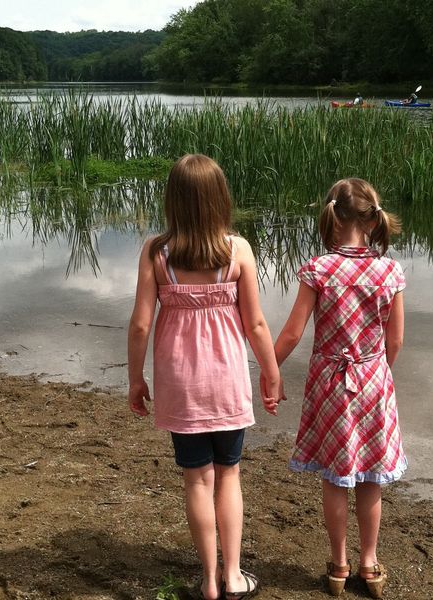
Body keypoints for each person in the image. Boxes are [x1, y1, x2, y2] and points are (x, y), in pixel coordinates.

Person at [128, 154, 282, 600]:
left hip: (180, 385)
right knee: (229, 474)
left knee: (196, 479)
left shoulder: (157, 253)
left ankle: (209, 580)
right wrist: (271, 374)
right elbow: (255, 325)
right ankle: (234, 576)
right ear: (221, 200)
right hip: (226, 381)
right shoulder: (238, 251)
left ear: (172, 201)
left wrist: (136, 379)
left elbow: (140, 324)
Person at [269, 178, 406, 599]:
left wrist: (268, 370)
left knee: (335, 478)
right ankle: (369, 564)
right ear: (372, 218)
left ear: (332, 215)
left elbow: (293, 333)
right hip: (373, 378)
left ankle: (338, 567)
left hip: (330, 383)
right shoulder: (389, 270)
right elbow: (395, 340)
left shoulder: (319, 268)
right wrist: (378, 372)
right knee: (370, 480)